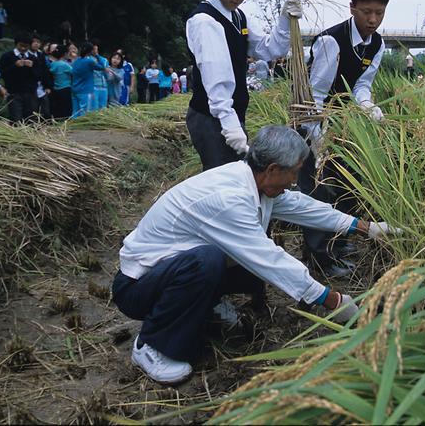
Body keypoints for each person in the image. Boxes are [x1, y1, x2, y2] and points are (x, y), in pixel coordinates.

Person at [111, 126, 399, 384]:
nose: (295, 180)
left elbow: (303, 207)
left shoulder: (255, 181)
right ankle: (152, 345)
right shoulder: (229, 200)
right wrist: (335, 301)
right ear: (273, 169)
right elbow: (268, 258)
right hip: (137, 288)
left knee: (222, 259)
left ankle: (204, 307)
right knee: (210, 260)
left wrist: (369, 228)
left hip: (168, 273)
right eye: (295, 171)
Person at [300, 0, 388, 277]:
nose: (373, 19)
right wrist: (319, 138)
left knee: (351, 185)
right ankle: (320, 260)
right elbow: (315, 95)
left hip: (345, 124)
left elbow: (361, 86)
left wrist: (369, 108)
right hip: (315, 122)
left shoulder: (377, 43)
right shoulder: (330, 42)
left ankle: (340, 244)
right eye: (366, 12)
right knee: (319, 190)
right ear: (352, 8)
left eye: (379, 12)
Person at [185, 0, 302, 170]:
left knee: (237, 180)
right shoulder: (204, 21)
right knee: (223, 182)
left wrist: (285, 19)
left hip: (231, 115)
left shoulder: (239, 17)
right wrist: (229, 125)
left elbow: (269, 50)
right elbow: (216, 79)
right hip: (212, 118)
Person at [0, 36, 39, 122]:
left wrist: (31, 68)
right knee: (16, 118)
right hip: (14, 92)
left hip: (30, 93)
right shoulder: (7, 56)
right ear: (16, 44)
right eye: (21, 45)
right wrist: (15, 66)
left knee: (31, 119)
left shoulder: (33, 58)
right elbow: (2, 73)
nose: (23, 48)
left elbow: (39, 76)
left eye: (26, 46)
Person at [71, 42, 107, 118]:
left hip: (75, 89)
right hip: (85, 90)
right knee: (85, 112)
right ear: (91, 51)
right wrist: (97, 55)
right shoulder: (89, 62)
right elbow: (102, 66)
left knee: (75, 112)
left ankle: (74, 127)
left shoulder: (76, 61)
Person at [29, 34, 53, 119]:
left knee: (46, 110)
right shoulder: (26, 55)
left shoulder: (41, 54)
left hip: (42, 86)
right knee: (33, 111)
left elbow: (45, 71)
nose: (36, 44)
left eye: (38, 42)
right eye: (34, 42)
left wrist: (47, 86)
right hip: (31, 87)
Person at [47, 44, 73, 119]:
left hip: (56, 88)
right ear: (65, 54)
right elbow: (74, 72)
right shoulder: (65, 65)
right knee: (66, 109)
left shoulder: (52, 64)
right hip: (65, 88)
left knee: (58, 108)